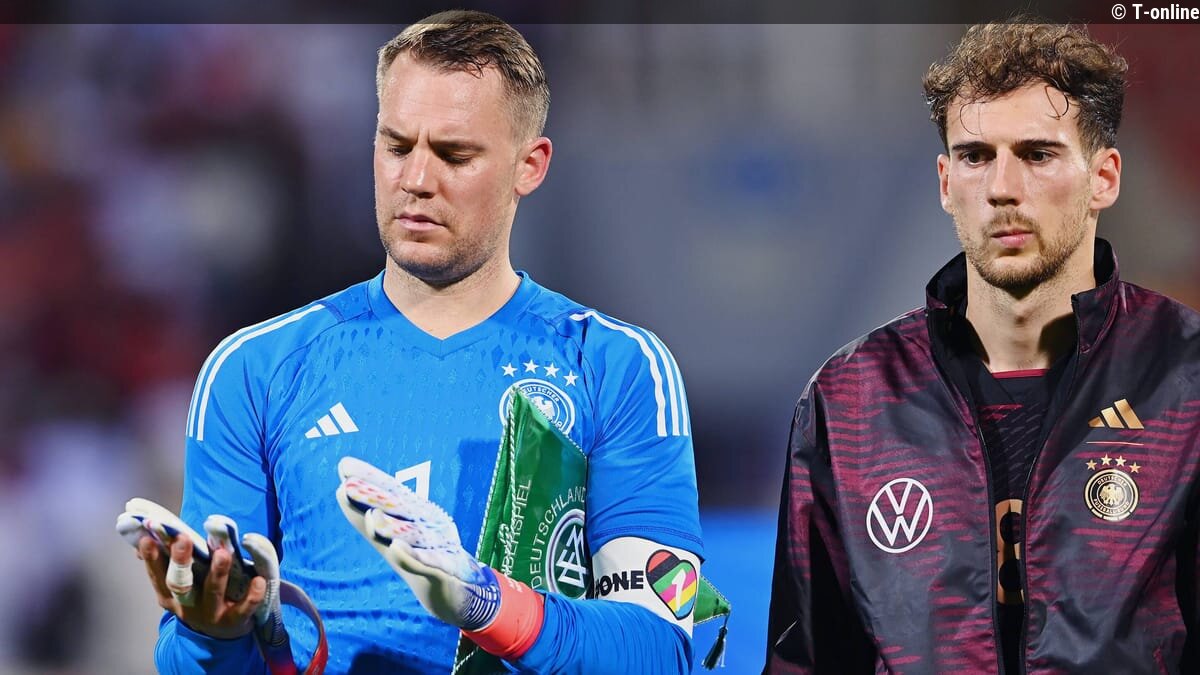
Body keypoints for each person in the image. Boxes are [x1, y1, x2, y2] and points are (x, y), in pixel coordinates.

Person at [129, 11, 704, 674]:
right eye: (397, 146)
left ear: (530, 166)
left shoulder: (617, 368)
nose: (416, 180)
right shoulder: (254, 370)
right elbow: (190, 658)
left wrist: (485, 601)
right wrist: (212, 633)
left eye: (454, 155)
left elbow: (659, 651)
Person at [766, 18, 1200, 674]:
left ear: (1104, 178)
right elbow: (805, 661)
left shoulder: (1185, 380)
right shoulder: (852, 400)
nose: (1002, 188)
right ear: (946, 182)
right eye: (975, 156)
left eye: (1038, 154)